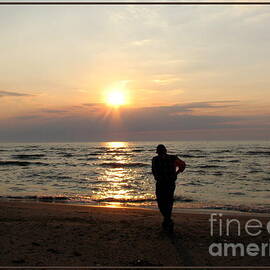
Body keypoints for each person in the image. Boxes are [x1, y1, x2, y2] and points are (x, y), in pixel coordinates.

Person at [152, 144, 186, 233]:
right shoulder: (158, 159)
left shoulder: (170, 158)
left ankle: (167, 220)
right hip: (165, 183)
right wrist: (177, 173)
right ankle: (167, 220)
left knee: (163, 201)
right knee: (165, 202)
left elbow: (183, 165)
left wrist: (176, 173)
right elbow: (182, 165)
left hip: (165, 183)